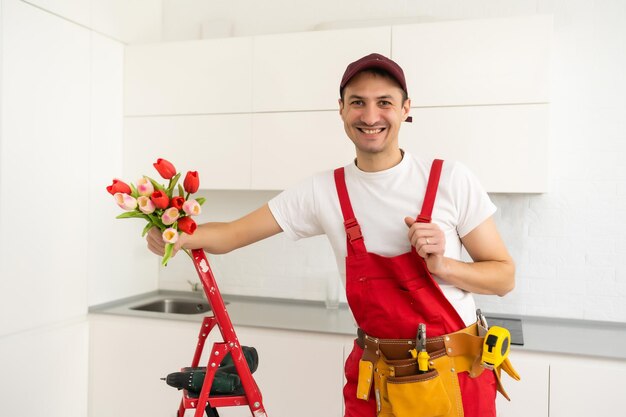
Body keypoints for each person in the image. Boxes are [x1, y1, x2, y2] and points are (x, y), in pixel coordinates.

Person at [147, 53, 515, 417]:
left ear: (406, 109)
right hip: (374, 382)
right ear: (341, 110)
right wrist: (177, 237)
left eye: (384, 102)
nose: (370, 116)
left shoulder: (450, 179)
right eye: (358, 103)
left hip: (455, 378)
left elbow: (503, 276)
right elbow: (231, 234)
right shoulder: (323, 191)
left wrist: (446, 266)